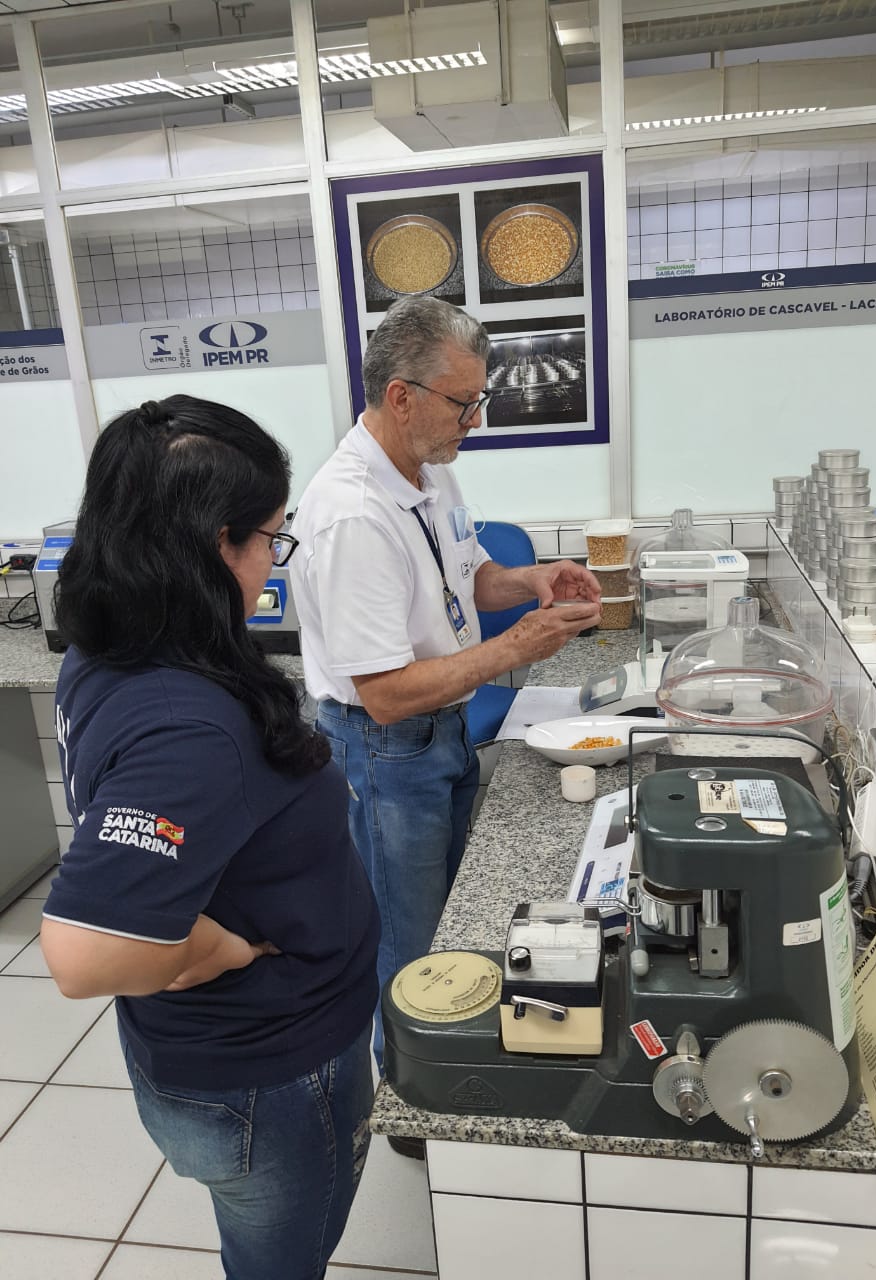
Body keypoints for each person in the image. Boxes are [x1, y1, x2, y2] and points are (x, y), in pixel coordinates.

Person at [40, 395, 380, 1280]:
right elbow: (80, 956)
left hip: (205, 1051)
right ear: (208, 544)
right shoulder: (188, 726)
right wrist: (220, 947)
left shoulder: (117, 642)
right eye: (269, 536)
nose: (275, 558)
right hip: (268, 1072)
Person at [290, 297, 601, 1105]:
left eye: (479, 400)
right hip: (386, 747)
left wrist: (530, 582)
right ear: (402, 396)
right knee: (409, 936)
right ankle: (411, 1102)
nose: (477, 420)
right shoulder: (352, 515)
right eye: (466, 404)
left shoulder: (428, 472)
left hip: (445, 726)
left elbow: (466, 580)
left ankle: (449, 1058)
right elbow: (386, 694)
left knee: (455, 913)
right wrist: (511, 650)